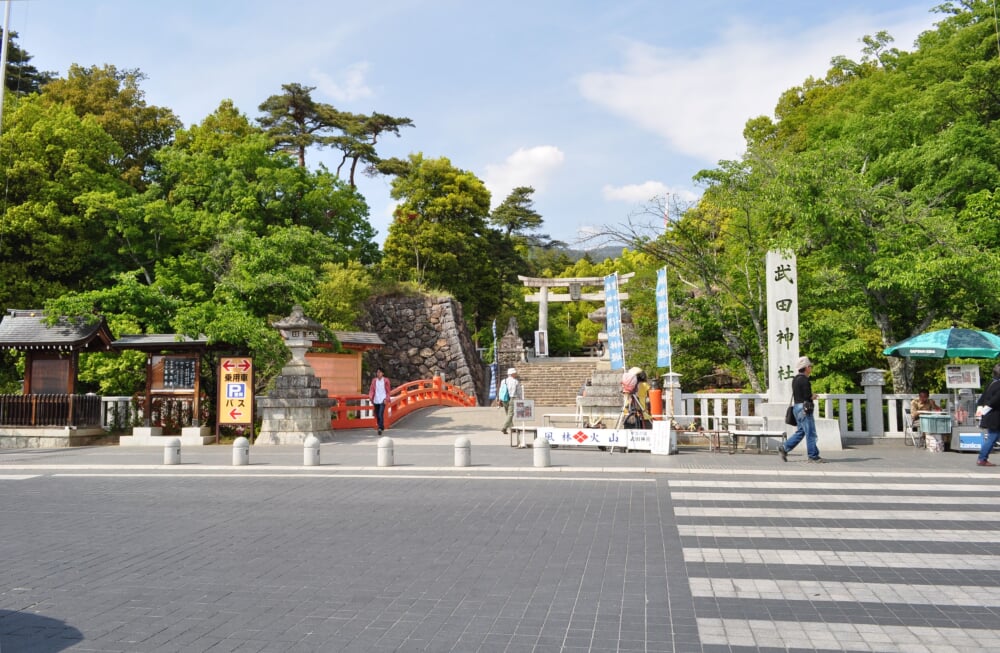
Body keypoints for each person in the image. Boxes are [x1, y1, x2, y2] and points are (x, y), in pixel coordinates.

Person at [778, 356, 822, 463]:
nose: (811, 368)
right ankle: (813, 456)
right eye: (810, 366)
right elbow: (807, 396)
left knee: (801, 431)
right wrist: (814, 396)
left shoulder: (795, 379)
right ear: (806, 367)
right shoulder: (805, 380)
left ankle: (785, 447)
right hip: (804, 408)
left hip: (796, 408)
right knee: (811, 432)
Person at [975, 364, 1000, 467]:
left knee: (993, 436)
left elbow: (983, 397)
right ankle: (982, 458)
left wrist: (981, 408)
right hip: (995, 415)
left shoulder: (991, 383)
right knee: (992, 437)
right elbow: (995, 400)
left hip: (989, 414)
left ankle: (982, 458)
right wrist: (987, 408)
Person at [499, 368, 524, 444]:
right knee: (510, 414)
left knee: (508, 414)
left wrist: (500, 399)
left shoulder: (504, 381)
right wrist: (521, 399)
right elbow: (519, 391)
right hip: (512, 398)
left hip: (504, 398)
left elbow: (501, 390)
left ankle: (512, 428)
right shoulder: (516, 381)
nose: (516, 374)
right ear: (512, 374)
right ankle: (504, 427)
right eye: (515, 373)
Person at [368, 367, 391, 435]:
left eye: (379, 372)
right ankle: (381, 426)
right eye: (377, 372)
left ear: (382, 373)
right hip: (376, 399)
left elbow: (388, 391)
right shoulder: (374, 380)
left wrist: (386, 399)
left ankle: (380, 427)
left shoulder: (386, 380)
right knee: (377, 414)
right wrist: (370, 396)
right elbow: (372, 389)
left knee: (380, 414)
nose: (378, 373)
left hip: (382, 399)